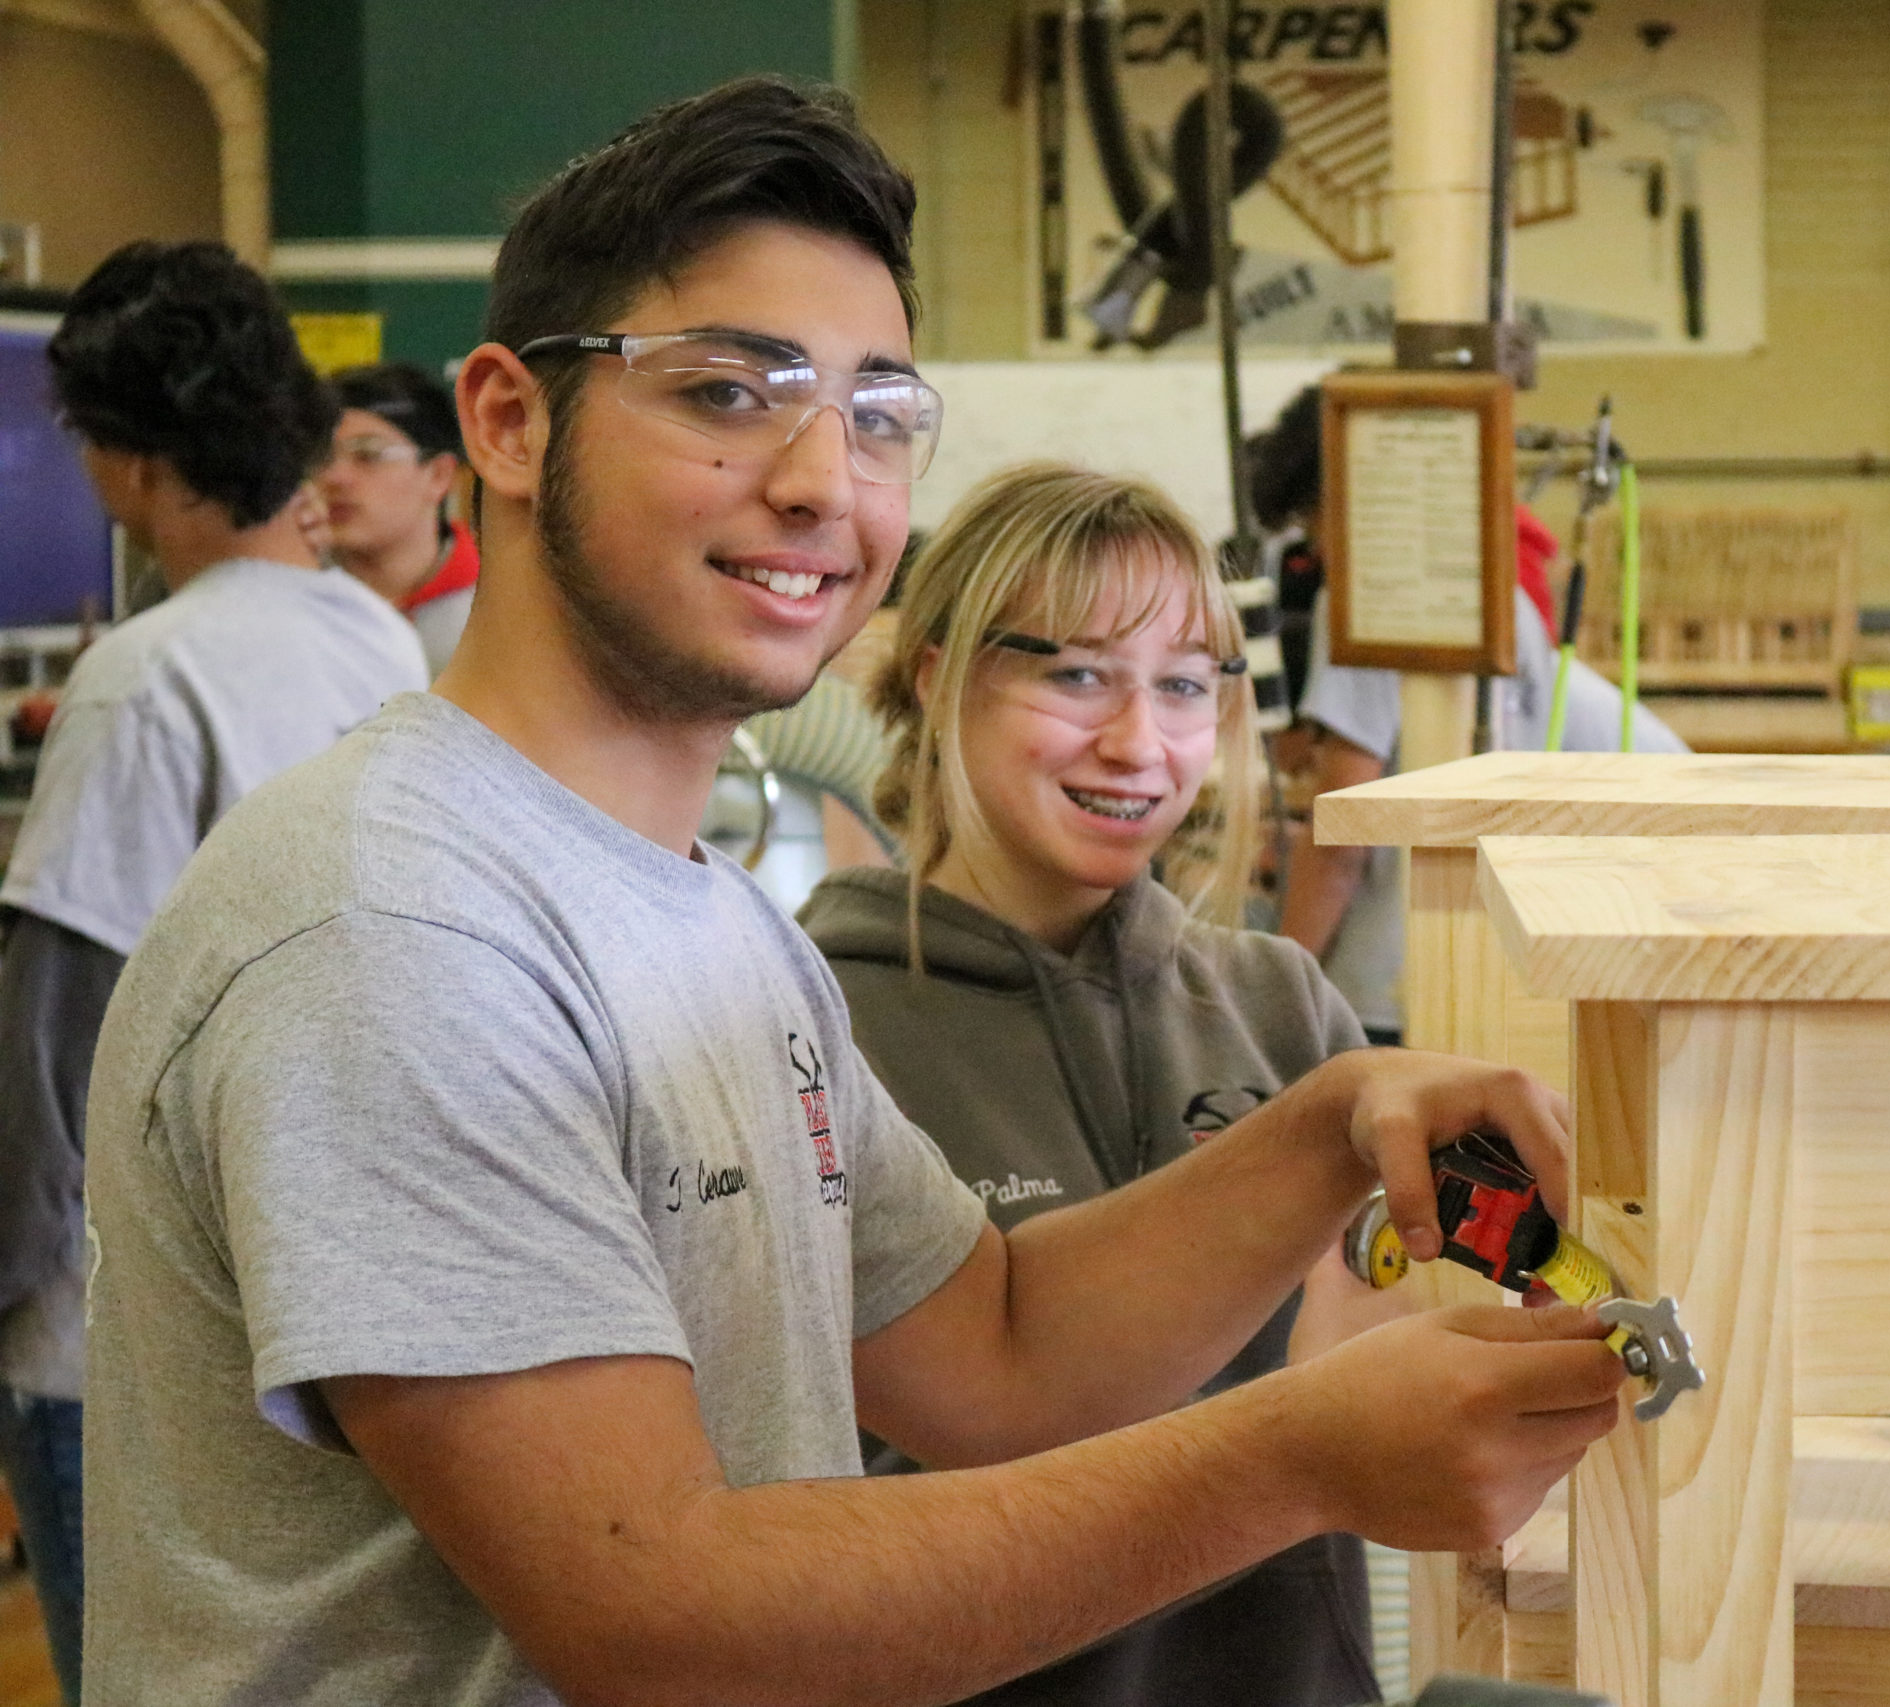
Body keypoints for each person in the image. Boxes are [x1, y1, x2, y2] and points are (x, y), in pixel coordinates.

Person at [80, 76, 1625, 1706]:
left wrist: (1330, 1123)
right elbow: (660, 1622)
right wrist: (1296, 1460)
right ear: (511, 423)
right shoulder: (398, 936)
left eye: (879, 409)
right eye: (731, 392)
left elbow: (998, 1346)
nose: (826, 479)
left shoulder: (717, 923)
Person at [801, 461, 1400, 1707]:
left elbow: (1375, 1389)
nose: (1139, 743)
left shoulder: (1280, 1005)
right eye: (1076, 675)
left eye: (1183, 686)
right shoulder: (814, 1028)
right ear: (938, 677)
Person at [0, 239, 429, 1703]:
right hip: (333, 1286)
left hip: (121, 1319)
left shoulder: (146, 675)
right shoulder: (377, 638)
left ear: (124, 461)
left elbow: (59, 1032)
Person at [1250, 385, 1689, 1043]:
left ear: (1354, 496)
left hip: (1397, 988)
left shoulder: (1370, 596)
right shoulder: (1492, 590)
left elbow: (1345, 831)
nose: (1321, 557)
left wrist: (1267, 1007)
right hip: (1521, 967)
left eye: (1316, 529)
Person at [317, 360, 479, 673]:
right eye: (321, 456)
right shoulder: (289, 596)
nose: (335, 477)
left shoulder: (501, 608)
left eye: (369, 455)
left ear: (438, 475)